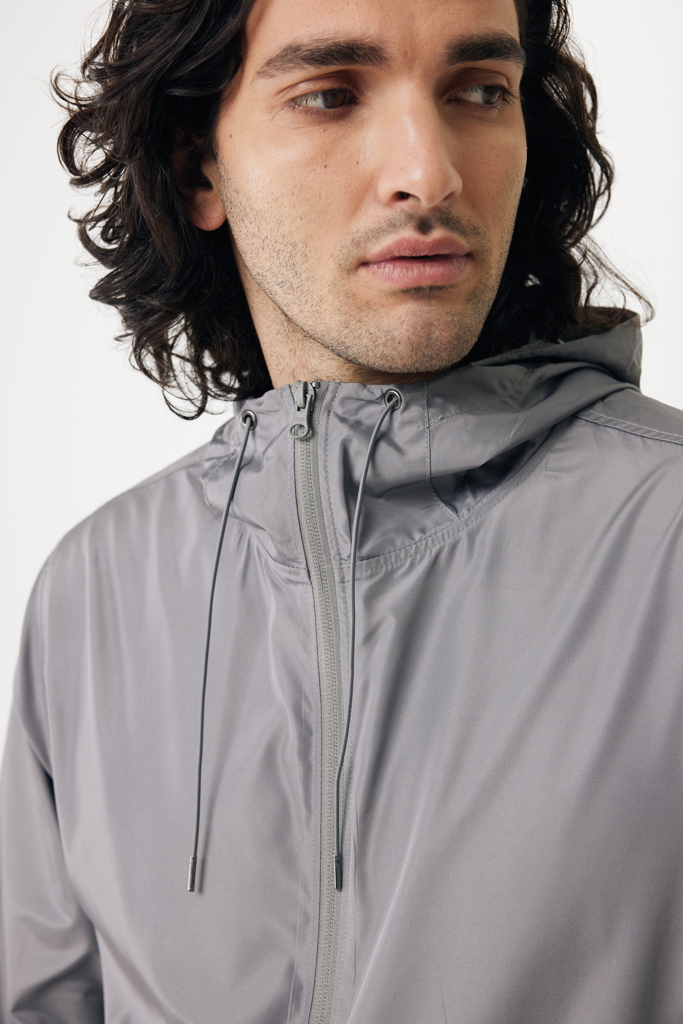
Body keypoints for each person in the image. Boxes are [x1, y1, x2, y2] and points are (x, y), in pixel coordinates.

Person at [2, 0, 682, 1019]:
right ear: (198, 170)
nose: (428, 172)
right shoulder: (95, 593)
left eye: (477, 91)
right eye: (329, 95)